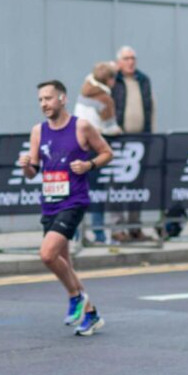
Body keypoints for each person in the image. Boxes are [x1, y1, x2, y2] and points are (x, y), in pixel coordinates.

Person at [18, 80, 113, 336]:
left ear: (62, 98)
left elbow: (107, 152)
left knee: (47, 255)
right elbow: (32, 172)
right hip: (50, 202)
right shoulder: (38, 131)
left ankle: (75, 297)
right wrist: (26, 165)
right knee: (65, 264)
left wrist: (89, 165)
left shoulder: (81, 126)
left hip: (74, 201)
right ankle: (91, 313)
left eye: (48, 98)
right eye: (40, 100)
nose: (44, 104)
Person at [111, 46, 155, 241]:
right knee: (117, 184)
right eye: (126, 58)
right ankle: (117, 227)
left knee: (137, 185)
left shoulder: (143, 80)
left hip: (140, 139)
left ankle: (135, 226)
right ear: (119, 62)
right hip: (120, 139)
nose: (131, 62)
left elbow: (150, 107)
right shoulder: (114, 81)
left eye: (133, 58)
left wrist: (150, 134)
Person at [74, 62, 121, 245]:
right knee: (96, 193)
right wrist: (118, 131)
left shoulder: (84, 90)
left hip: (77, 145)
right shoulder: (105, 99)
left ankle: (77, 234)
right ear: (109, 80)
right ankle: (99, 234)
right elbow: (111, 128)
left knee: (78, 192)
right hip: (94, 146)